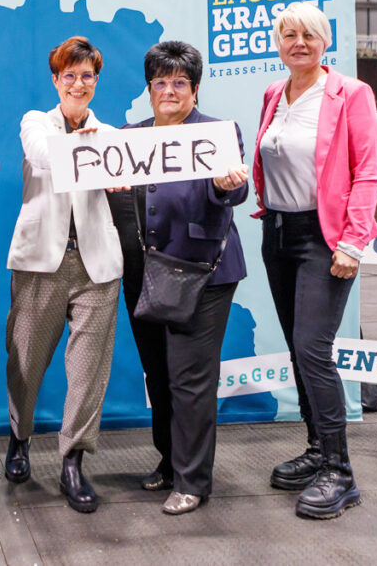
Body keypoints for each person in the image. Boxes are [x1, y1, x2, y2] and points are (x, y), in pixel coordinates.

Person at [106, 41, 249, 515]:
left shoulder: (218, 133)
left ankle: (193, 481)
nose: (169, 90)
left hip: (202, 274)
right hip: (145, 274)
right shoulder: (130, 135)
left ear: (195, 88)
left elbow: (236, 189)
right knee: (160, 375)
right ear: (149, 88)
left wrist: (228, 184)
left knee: (190, 379)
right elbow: (116, 199)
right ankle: (170, 463)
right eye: (160, 82)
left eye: (179, 82)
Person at [253, 2, 377, 520]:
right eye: (289, 34)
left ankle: (340, 471)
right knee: (296, 346)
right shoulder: (271, 94)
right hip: (277, 233)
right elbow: (272, 156)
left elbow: (367, 170)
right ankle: (315, 449)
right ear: (279, 43)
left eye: (308, 34)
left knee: (313, 350)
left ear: (324, 41)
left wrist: (353, 242)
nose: (298, 43)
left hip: (323, 239)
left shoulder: (351, 94)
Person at [2, 36, 123, 513]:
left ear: (96, 82)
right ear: (56, 80)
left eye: (87, 76)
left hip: (97, 264)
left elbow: (124, 174)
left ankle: (73, 460)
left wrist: (116, 170)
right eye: (68, 75)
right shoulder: (35, 123)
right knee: (26, 363)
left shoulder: (111, 133)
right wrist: (87, 151)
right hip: (40, 262)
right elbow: (44, 157)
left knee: (88, 370)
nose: (78, 83)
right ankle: (19, 436)